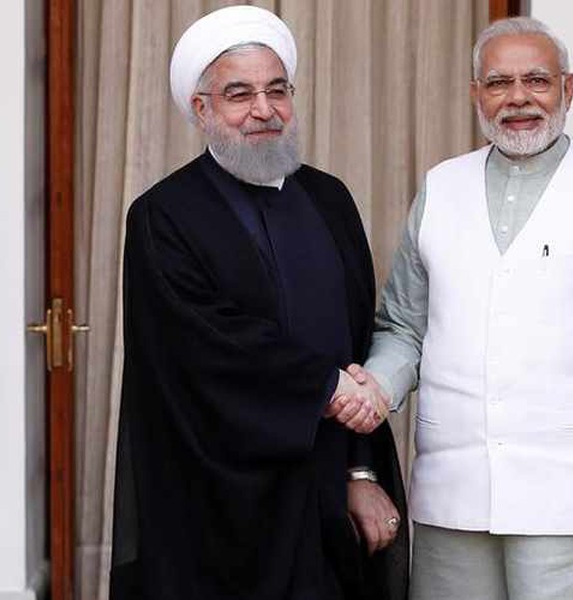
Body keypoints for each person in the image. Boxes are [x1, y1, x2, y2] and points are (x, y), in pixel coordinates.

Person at [352, 16, 573, 600]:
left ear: (568, 89)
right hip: (453, 506)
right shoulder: (440, 188)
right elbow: (403, 328)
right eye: (498, 83)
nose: (517, 98)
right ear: (476, 95)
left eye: (537, 81)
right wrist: (377, 389)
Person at [110, 6, 406, 600]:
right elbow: (205, 350)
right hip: (216, 509)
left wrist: (359, 471)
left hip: (326, 495)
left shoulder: (329, 199)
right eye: (239, 94)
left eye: (277, 90)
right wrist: (327, 387)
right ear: (202, 108)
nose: (263, 110)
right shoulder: (163, 215)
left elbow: (355, 342)